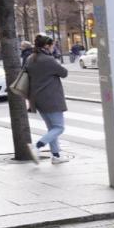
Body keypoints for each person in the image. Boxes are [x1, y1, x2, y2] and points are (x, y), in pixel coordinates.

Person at [24, 34, 70, 164]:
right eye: (52, 45)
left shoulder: (30, 58)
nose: (53, 48)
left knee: (52, 128)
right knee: (59, 128)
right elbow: (64, 73)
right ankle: (37, 146)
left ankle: (56, 156)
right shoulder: (48, 60)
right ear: (46, 46)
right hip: (51, 98)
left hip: (36, 98)